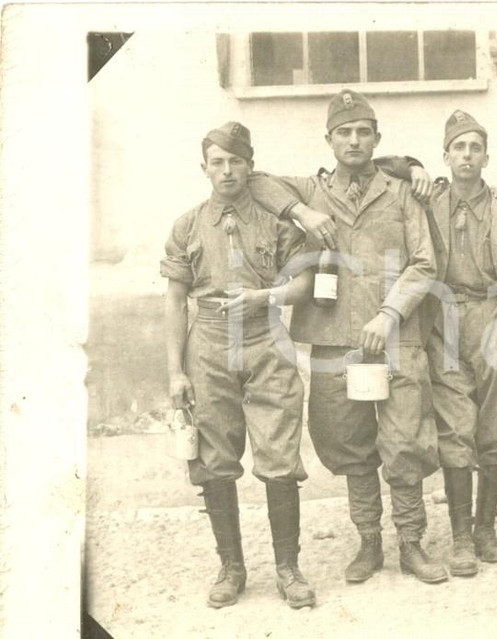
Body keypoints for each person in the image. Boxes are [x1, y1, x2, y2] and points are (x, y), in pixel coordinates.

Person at [246, 90, 447, 584]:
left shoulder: (400, 192)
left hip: (395, 337)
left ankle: (412, 543)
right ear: (329, 140)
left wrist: (389, 314)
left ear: (376, 140)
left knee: (404, 440)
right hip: (335, 339)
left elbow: (425, 263)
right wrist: (301, 212)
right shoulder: (313, 191)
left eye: (363, 132)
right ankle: (369, 542)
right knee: (349, 443)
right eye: (344, 132)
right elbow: (253, 180)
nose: (353, 140)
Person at [161, 122, 316, 609]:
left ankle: (288, 569)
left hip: (266, 338)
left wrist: (264, 295)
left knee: (280, 458)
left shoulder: (276, 222)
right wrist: (175, 371)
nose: (227, 171)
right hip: (206, 344)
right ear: (203, 168)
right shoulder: (187, 225)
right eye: (217, 162)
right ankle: (231, 566)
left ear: (250, 165)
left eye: (236, 161)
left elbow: (303, 284)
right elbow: (175, 299)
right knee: (214, 461)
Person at [419, 110, 497, 577]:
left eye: (474, 147)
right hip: (445, 319)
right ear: (445, 156)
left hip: (495, 317)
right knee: (455, 427)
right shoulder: (427, 204)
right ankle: (461, 536)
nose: (466, 155)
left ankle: (486, 527)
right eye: (458, 147)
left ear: (486, 156)